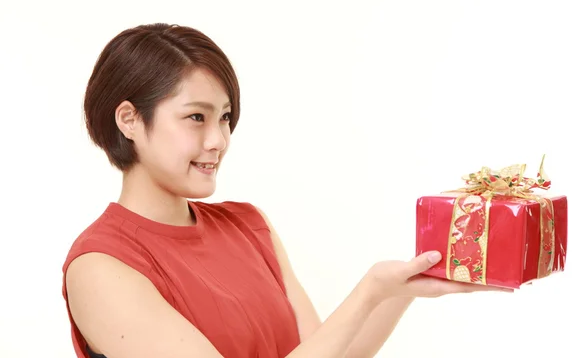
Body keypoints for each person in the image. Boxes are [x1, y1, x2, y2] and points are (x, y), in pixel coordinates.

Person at [62, 23, 508, 358]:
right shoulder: (100, 265)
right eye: (196, 117)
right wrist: (368, 291)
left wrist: (399, 290)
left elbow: (325, 352)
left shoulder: (247, 225)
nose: (218, 140)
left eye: (224, 117)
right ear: (129, 120)